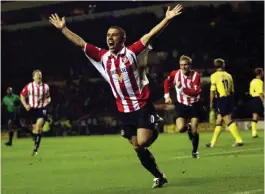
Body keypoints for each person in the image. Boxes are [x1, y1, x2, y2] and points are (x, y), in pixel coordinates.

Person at [49, 4, 183, 188]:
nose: (109, 38)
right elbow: (81, 43)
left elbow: (151, 34)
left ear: (122, 39)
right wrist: (64, 29)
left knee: (144, 140)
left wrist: (167, 19)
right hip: (123, 110)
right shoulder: (103, 56)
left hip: (141, 105)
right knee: (138, 147)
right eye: (108, 35)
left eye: (114, 35)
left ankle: (156, 123)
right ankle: (159, 175)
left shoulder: (132, 52)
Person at [164, 55, 201, 158]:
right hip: (181, 104)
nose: (183, 67)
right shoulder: (175, 74)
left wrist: (182, 89)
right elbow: (167, 82)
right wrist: (167, 96)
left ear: (190, 65)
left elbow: (195, 92)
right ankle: (187, 127)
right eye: (181, 65)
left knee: (194, 131)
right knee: (180, 129)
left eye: (185, 65)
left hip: (194, 105)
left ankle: (195, 150)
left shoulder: (195, 76)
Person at [206, 58, 243, 148]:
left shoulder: (214, 76)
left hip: (221, 99)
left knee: (227, 119)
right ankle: (212, 143)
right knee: (219, 119)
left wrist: (211, 102)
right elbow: (232, 90)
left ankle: (239, 140)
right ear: (223, 65)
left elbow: (212, 91)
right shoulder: (229, 75)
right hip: (229, 98)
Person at [20, 70, 51, 156]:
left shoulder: (46, 87)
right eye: (37, 75)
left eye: (40, 75)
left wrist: (48, 101)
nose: (39, 76)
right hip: (32, 109)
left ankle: (35, 149)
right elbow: (22, 96)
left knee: (38, 127)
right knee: (34, 129)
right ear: (33, 77)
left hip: (42, 108)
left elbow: (48, 97)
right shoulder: (29, 86)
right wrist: (25, 105)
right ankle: (35, 137)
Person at [249, 68, 264, 138]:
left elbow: (251, 92)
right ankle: (253, 131)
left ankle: (253, 131)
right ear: (260, 73)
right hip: (258, 98)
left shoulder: (252, 81)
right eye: (262, 72)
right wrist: (263, 101)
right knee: (256, 116)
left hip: (253, 99)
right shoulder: (260, 82)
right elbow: (260, 93)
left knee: (255, 116)